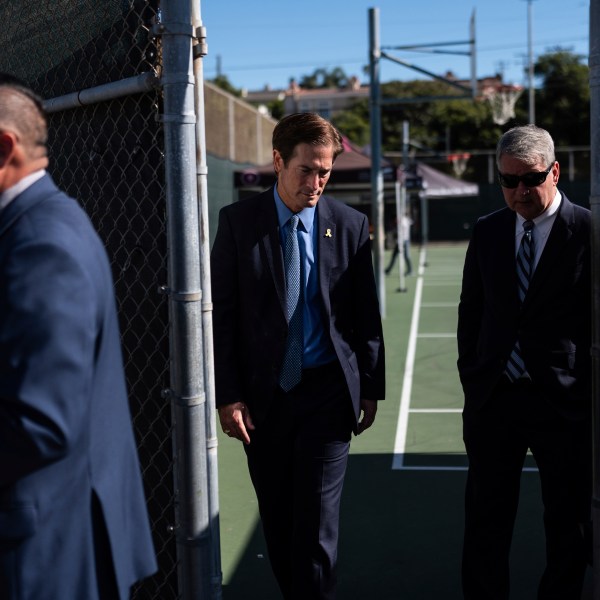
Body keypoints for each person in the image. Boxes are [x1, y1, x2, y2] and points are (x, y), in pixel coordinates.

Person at [211, 112, 385, 599]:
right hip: (263, 402)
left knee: (316, 529)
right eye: (306, 169)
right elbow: (221, 317)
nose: (316, 182)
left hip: (328, 395)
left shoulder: (349, 225)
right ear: (278, 161)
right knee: (280, 521)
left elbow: (363, 312)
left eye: (325, 171)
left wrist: (370, 386)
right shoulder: (238, 223)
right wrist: (229, 395)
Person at [0, 74, 157, 599]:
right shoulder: (39, 228)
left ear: (5, 148)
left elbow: (42, 422)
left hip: (45, 555)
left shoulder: (41, 243)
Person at [457, 124, 591, 599]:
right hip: (495, 398)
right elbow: (471, 310)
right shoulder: (489, 230)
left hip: (563, 402)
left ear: (555, 171)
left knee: (568, 524)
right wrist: (474, 378)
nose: (519, 191)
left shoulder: (587, 231)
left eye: (530, 179)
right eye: (508, 180)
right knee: (485, 521)